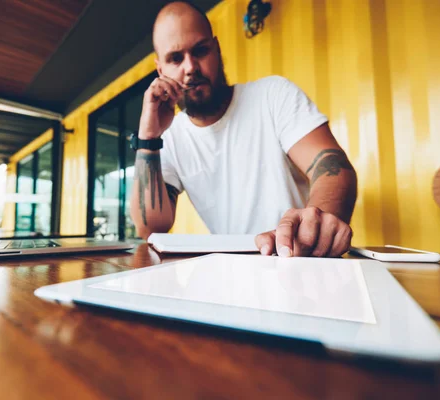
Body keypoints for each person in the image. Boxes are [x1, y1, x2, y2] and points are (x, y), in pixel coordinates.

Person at [130, 1, 357, 258]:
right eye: (176, 58)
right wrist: (148, 138)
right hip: (230, 275)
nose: (190, 67)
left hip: (297, 261)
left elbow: (333, 168)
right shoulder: (169, 137)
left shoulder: (273, 95)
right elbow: (152, 227)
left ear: (216, 49)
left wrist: (313, 227)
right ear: (161, 70)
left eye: (201, 50)